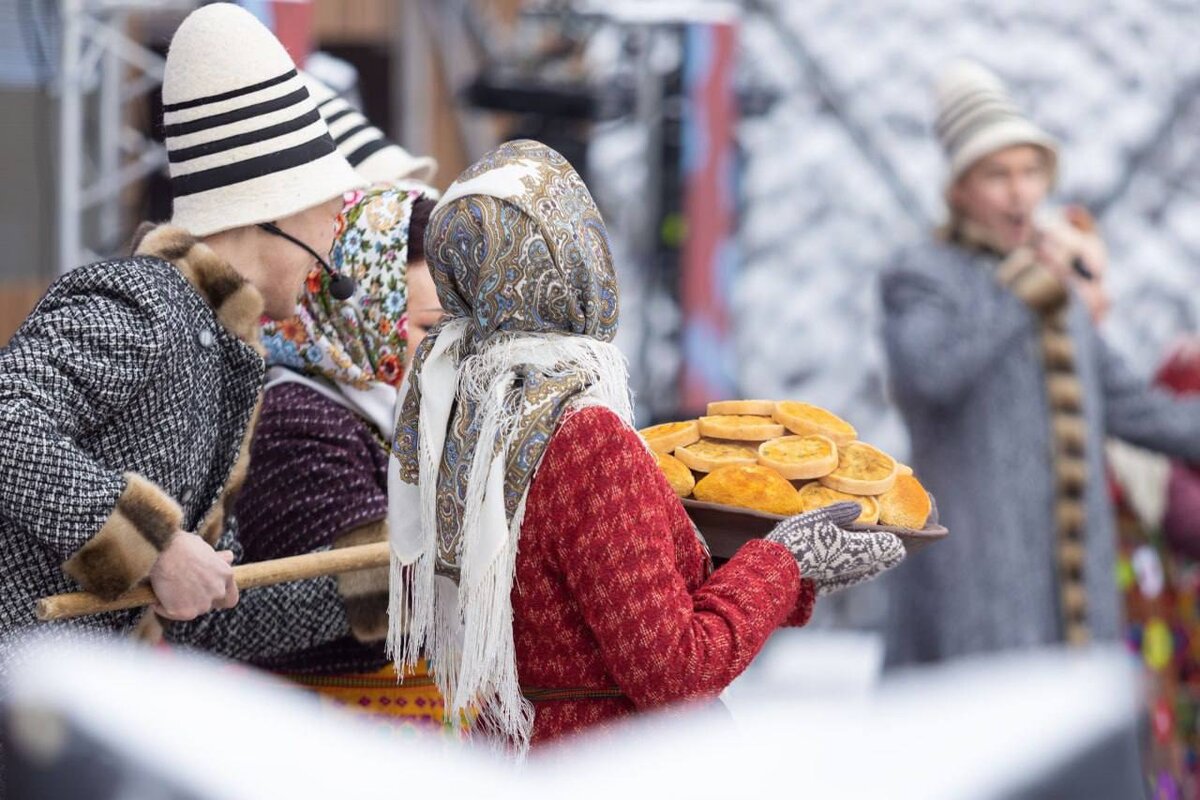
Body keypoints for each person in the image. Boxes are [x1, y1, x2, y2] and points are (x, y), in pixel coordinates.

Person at [386, 139, 907, 750]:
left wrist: (788, 576)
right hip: (613, 760)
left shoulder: (468, 412)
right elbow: (676, 672)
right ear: (575, 266)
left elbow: (607, 589)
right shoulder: (586, 438)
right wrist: (783, 560)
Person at [0, 4, 366, 666]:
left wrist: (390, 583)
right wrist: (156, 545)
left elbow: (211, 615)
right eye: (331, 212)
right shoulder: (142, 303)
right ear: (276, 211)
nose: (336, 238)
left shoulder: (223, 353)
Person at [880, 60, 1200, 666]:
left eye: (1031, 172)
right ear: (960, 191)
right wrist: (1020, 286)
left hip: (1069, 587)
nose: (1020, 191)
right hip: (973, 577)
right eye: (997, 174)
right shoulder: (922, 275)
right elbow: (928, 375)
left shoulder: (1054, 289)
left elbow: (1136, 409)